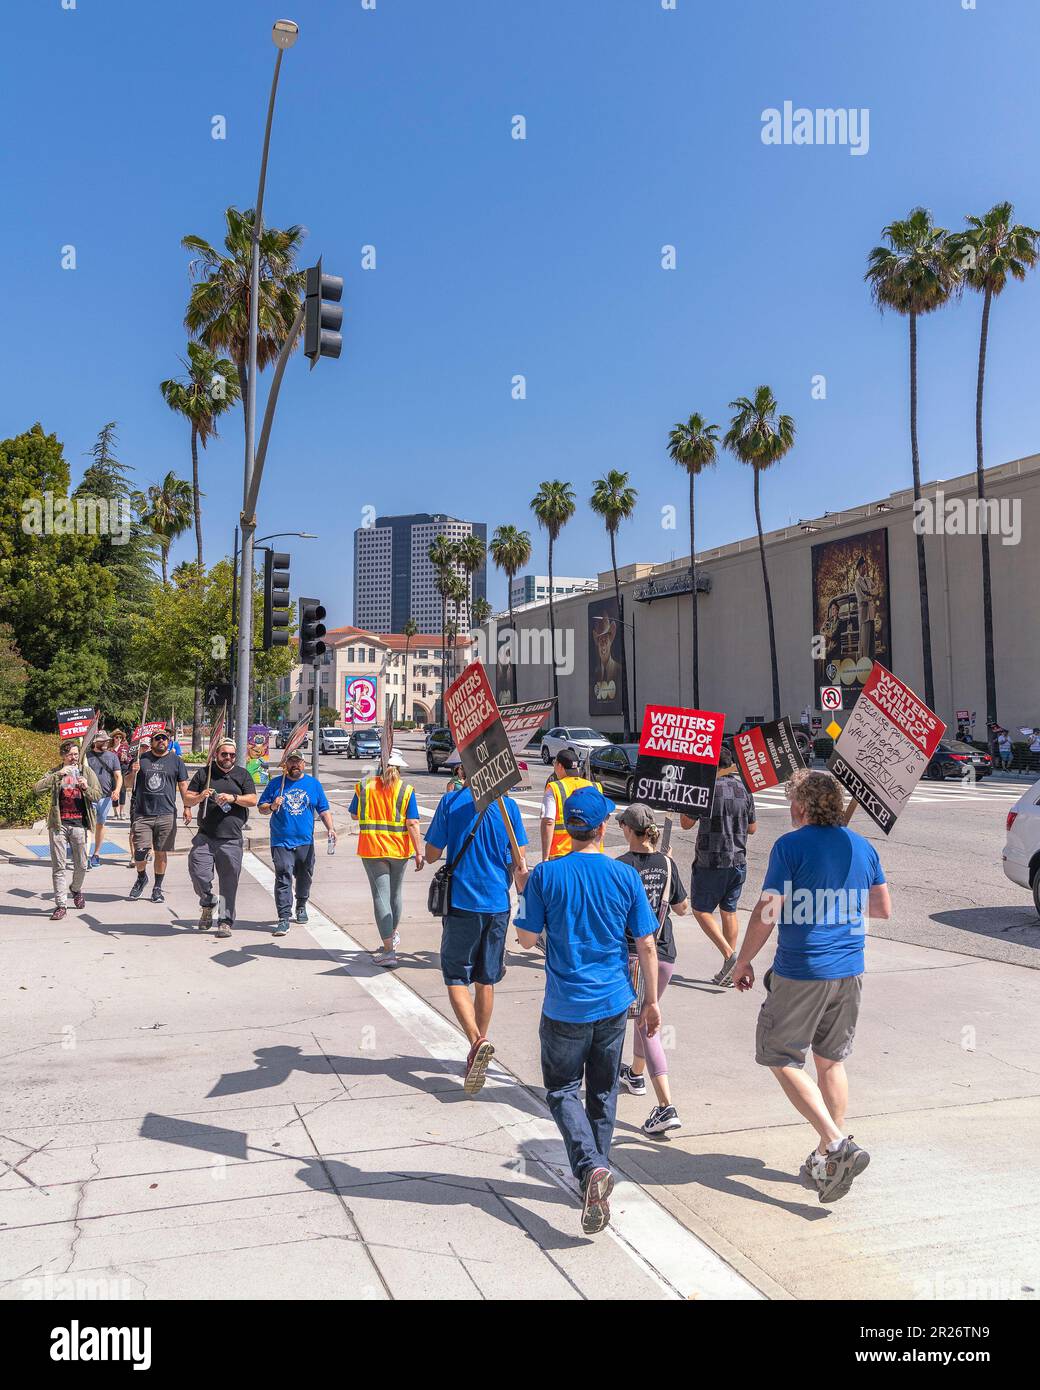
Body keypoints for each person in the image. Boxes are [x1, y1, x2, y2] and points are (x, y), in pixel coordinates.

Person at [731, 770, 891, 1204]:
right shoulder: (863, 846)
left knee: (778, 1055)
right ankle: (826, 1158)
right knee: (830, 1063)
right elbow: (882, 908)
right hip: (850, 970)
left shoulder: (791, 846)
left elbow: (767, 911)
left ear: (801, 807)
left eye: (791, 802)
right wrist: (839, 899)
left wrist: (742, 960)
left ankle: (837, 1144)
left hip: (803, 970)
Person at [515, 786, 660, 1236]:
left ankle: (590, 1168)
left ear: (567, 828)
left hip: (565, 1004)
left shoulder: (546, 875)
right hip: (615, 1002)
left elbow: (523, 939)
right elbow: (647, 943)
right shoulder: (624, 877)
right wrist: (651, 1000)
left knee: (561, 1090)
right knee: (602, 1093)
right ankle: (595, 1173)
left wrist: (532, 902)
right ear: (601, 828)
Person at [424, 771, 528, 1095]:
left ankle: (476, 1041)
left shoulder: (450, 802)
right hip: (498, 903)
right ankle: (476, 1054)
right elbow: (519, 859)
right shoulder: (508, 807)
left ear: (461, 772)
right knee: (487, 979)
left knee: (455, 977)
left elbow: (430, 853)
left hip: (462, 904)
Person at [614, 804, 690, 1135]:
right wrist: (665, 867)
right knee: (647, 1015)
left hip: (634, 954)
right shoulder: (668, 864)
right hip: (665, 955)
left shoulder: (619, 867)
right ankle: (635, 1074)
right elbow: (683, 909)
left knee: (647, 1024)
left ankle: (666, 1106)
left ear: (629, 831)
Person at [679, 745, 756, 986]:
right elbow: (753, 828)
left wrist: (684, 798)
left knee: (701, 910)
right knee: (729, 911)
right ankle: (728, 970)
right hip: (738, 861)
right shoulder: (744, 789)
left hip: (710, 861)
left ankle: (729, 956)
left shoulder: (705, 789)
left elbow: (685, 824)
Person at [349, 749, 423, 967]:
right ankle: (392, 934)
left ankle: (389, 950)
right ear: (399, 768)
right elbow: (412, 823)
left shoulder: (364, 786)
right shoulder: (406, 789)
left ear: (379, 765)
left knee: (381, 897)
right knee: (395, 894)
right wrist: (419, 852)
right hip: (399, 850)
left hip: (372, 849)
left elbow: (354, 814)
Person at [183, 738, 258, 938]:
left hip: (231, 839)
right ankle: (208, 902)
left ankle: (225, 921)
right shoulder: (204, 773)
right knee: (198, 873)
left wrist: (234, 798)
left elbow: (252, 800)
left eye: (232, 755)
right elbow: (186, 798)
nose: (228, 758)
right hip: (205, 836)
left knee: (228, 883)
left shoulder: (242, 774)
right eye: (224, 754)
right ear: (217, 754)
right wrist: (200, 797)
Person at [257, 751, 335, 936]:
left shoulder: (313, 784)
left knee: (304, 875)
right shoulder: (276, 784)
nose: (295, 765)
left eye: (298, 762)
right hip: (281, 840)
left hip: (305, 841)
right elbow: (261, 808)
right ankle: (283, 917)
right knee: (283, 875)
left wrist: (330, 828)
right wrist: (272, 806)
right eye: (291, 761)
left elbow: (323, 809)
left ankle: (301, 904)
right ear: (286, 764)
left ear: (304, 763)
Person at [34, 741, 103, 921]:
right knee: (59, 866)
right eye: (70, 754)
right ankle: (61, 905)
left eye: (76, 754)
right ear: (63, 756)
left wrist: (86, 787)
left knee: (81, 864)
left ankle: (76, 888)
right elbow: (37, 788)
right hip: (59, 824)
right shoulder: (56, 771)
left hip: (79, 823)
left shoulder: (85, 771)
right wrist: (57, 775)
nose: (74, 758)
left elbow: (98, 794)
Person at [128, 729, 190, 902]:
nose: (161, 741)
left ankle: (157, 888)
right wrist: (133, 772)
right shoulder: (141, 760)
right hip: (143, 813)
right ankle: (141, 878)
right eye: (157, 738)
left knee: (161, 852)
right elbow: (127, 784)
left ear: (169, 741)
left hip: (166, 814)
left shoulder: (176, 761)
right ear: (152, 741)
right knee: (140, 852)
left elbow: (183, 785)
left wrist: (187, 806)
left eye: (164, 738)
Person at [540, 749, 602, 861]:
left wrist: (545, 858)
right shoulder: (595, 787)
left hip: (561, 853)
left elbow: (548, 822)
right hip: (592, 851)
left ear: (560, 766)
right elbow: (603, 821)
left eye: (554, 763)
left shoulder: (554, 788)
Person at [85, 731, 122, 868]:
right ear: (95, 742)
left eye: (107, 740)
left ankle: (96, 854)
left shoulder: (112, 757)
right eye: (102, 740)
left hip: (106, 797)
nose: (106, 742)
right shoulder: (86, 757)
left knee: (100, 825)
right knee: (88, 826)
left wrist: (117, 790)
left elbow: (118, 776)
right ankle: (85, 854)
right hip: (89, 796)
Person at [853, 554, 879, 661]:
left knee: (872, 640)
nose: (865, 568)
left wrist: (869, 592)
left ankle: (872, 661)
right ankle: (865, 662)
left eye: (865, 566)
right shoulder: (857, 583)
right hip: (864, 615)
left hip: (871, 613)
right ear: (859, 568)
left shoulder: (868, 580)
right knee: (865, 641)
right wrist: (870, 597)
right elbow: (861, 598)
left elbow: (876, 590)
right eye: (863, 567)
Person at [110, 729, 132, 819]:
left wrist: (126, 758)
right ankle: (115, 812)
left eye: (120, 737)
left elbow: (130, 759)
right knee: (114, 790)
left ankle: (122, 811)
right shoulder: (109, 749)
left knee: (122, 790)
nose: (118, 739)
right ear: (113, 738)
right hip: (112, 772)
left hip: (122, 770)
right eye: (117, 737)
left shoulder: (125, 747)